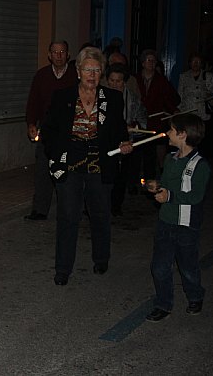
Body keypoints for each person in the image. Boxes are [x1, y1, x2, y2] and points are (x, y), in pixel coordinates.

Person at [42, 47, 132, 286]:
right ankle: (63, 269)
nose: (92, 74)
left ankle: (101, 258)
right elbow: (49, 130)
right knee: (68, 216)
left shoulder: (111, 98)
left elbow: (119, 129)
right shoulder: (63, 96)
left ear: (101, 72)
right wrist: (54, 154)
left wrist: (124, 144)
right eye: (87, 69)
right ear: (78, 71)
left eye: (96, 69)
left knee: (100, 214)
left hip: (100, 162)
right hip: (70, 161)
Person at [145, 113, 210, 322]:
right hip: (166, 221)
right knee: (159, 266)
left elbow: (196, 196)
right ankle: (163, 303)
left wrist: (170, 195)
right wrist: (157, 187)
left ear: (182, 135)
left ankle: (195, 295)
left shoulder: (200, 165)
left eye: (172, 130)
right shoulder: (169, 159)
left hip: (186, 225)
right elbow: (166, 184)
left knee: (188, 266)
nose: (168, 134)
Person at [24, 40, 78, 221]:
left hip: (70, 132)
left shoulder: (75, 75)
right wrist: (32, 124)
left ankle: (70, 209)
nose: (59, 55)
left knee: (68, 171)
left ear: (68, 54)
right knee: (42, 170)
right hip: (47, 131)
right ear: (49, 55)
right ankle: (40, 209)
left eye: (62, 52)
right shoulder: (42, 76)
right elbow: (33, 102)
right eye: (55, 52)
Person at [106, 63, 147, 216]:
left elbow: (143, 121)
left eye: (118, 81)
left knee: (120, 176)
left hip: (126, 142)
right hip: (106, 143)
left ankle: (116, 205)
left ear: (124, 82)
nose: (115, 84)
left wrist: (134, 126)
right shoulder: (100, 97)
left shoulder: (133, 100)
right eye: (112, 80)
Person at [136, 49, 180, 179]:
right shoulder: (136, 79)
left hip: (155, 122)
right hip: (139, 121)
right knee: (137, 152)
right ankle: (133, 180)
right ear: (143, 63)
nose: (152, 63)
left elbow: (170, 99)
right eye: (149, 60)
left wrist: (173, 110)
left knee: (151, 153)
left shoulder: (161, 81)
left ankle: (150, 179)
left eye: (154, 61)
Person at [177, 53, 213, 157]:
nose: (196, 64)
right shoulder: (183, 76)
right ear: (190, 63)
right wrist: (178, 111)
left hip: (202, 114)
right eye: (194, 61)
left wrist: (209, 96)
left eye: (198, 62)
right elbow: (179, 95)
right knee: (188, 141)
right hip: (188, 113)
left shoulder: (207, 76)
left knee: (202, 143)